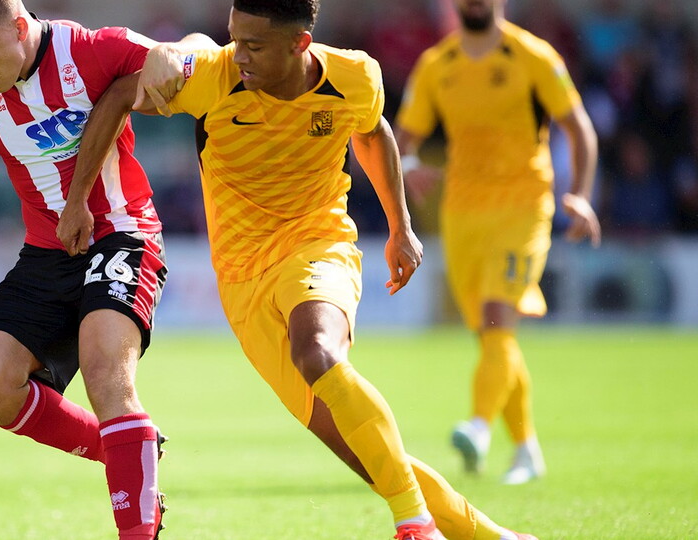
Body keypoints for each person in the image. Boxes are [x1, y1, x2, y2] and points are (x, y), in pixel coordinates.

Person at [67, 1, 537, 538]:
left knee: (317, 351)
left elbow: (372, 132)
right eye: (234, 38)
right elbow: (119, 96)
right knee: (367, 453)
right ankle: (490, 536)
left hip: (318, 244)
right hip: (242, 281)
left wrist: (400, 226)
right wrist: (78, 198)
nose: (239, 55)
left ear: (300, 44)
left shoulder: (355, 76)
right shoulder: (213, 76)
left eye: (254, 45)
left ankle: (414, 524)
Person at [0, 2, 205, 538]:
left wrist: (179, 50)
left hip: (122, 232)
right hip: (48, 251)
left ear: (19, 27)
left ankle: (135, 517)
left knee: (106, 373)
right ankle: (127, 450)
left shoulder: (93, 50)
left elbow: (199, 53)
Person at [394, 0, 601, 484]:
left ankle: (479, 425)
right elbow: (401, 138)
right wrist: (407, 165)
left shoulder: (533, 56)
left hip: (524, 207)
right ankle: (527, 449)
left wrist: (581, 195)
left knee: (497, 316)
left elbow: (579, 128)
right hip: (462, 214)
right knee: (492, 334)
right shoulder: (436, 65)